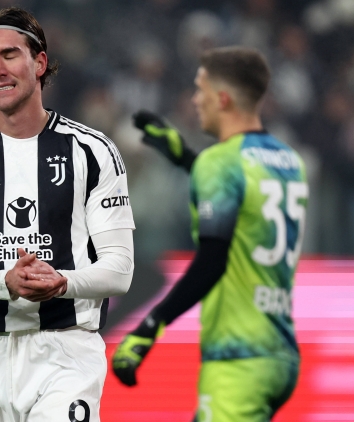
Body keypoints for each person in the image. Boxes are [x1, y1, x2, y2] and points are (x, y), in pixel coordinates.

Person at [0, 7, 135, 421]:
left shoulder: (92, 152)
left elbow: (120, 269)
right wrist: (5, 282)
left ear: (39, 63)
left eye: (9, 55)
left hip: (66, 350)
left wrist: (62, 283)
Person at [112, 46, 308, 421]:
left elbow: (212, 260)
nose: (194, 100)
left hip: (237, 357)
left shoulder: (219, 163)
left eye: (200, 89)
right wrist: (186, 158)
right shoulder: (289, 161)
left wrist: (150, 326)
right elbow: (247, 195)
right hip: (280, 353)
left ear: (223, 99)